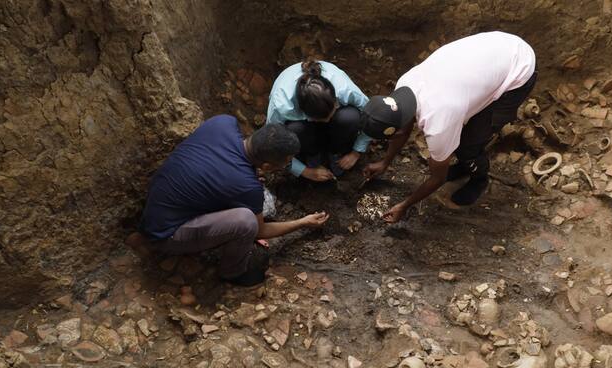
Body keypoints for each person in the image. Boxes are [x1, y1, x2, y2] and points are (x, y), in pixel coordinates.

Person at [361, 31, 538, 223]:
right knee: (464, 131)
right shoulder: (405, 85)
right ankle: (464, 165)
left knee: (468, 146)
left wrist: (404, 205)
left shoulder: (438, 122)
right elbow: (402, 128)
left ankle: (479, 179)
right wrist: (385, 162)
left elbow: (438, 177)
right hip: (496, 48)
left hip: (518, 69)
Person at [138, 115, 329, 287]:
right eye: (285, 163)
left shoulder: (223, 122)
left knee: (246, 208)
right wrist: (303, 222)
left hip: (157, 205)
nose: (287, 165)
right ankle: (233, 272)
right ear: (266, 166)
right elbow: (260, 230)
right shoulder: (248, 187)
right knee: (246, 222)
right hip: (165, 234)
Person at [267, 59, 372, 182]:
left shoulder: (344, 89)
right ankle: (312, 155)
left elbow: (371, 116)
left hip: (335, 123)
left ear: (335, 99)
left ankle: (336, 151)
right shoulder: (281, 105)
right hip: (303, 128)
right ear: (304, 113)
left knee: (350, 117)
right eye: (321, 120)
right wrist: (304, 171)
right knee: (295, 129)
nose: (327, 121)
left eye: (331, 115)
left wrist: (356, 152)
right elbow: (271, 145)